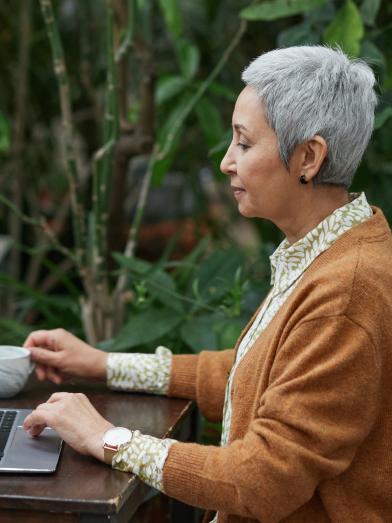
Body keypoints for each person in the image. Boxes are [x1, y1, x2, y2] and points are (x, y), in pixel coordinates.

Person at [23, 45, 392, 523]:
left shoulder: (347, 290)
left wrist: (108, 438)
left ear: (309, 156)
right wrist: (103, 365)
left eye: (243, 142)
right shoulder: (329, 250)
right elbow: (250, 374)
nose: (226, 162)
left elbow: (263, 480)